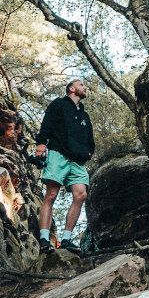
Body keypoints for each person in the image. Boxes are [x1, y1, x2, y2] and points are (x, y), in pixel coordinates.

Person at [35, 78, 95, 253]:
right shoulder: (59, 104)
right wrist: (41, 144)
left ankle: (66, 240)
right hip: (58, 154)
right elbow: (47, 124)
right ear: (72, 88)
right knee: (51, 194)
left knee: (81, 194)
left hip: (78, 161)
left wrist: (88, 153)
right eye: (82, 84)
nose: (85, 87)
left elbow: (90, 139)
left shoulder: (84, 116)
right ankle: (45, 240)